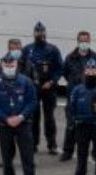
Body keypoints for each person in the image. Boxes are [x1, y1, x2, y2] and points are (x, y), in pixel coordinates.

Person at [0, 52, 43, 175]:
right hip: (4, 125)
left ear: (16, 65)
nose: (9, 68)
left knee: (28, 160)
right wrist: (6, 118)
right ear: (2, 66)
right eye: (7, 66)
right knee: (7, 160)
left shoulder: (26, 82)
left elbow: (32, 102)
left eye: (12, 65)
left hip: (23, 125)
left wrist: (21, 117)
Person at [58, 30, 96, 163]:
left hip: (92, 96)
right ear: (78, 42)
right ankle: (67, 151)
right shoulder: (70, 57)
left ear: (89, 41)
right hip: (74, 96)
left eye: (86, 41)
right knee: (71, 124)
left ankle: (95, 152)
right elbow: (65, 73)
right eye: (82, 41)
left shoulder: (95, 57)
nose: (84, 43)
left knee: (94, 125)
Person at [22, 22, 65, 154]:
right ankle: (33, 144)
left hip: (48, 87)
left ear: (45, 33)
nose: (39, 34)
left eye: (41, 32)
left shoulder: (52, 49)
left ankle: (51, 144)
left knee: (49, 117)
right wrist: (28, 83)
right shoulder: (27, 49)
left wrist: (52, 81)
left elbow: (59, 68)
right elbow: (22, 68)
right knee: (33, 117)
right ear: (33, 33)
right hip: (33, 88)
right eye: (37, 32)